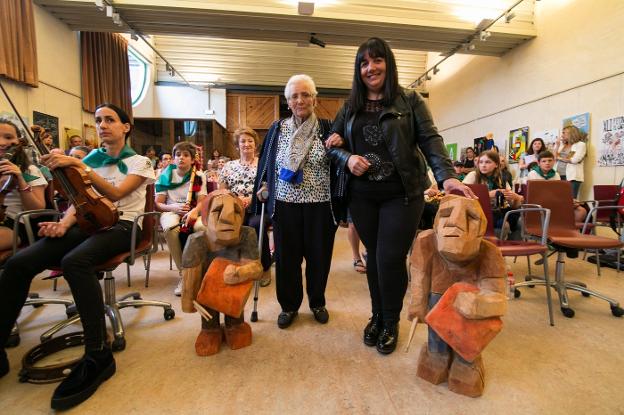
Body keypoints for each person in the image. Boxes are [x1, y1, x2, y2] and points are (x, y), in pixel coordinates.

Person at [0, 103, 155, 410]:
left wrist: (78, 165)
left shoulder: (140, 162)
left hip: (123, 226)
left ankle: (98, 354)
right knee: (19, 263)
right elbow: (78, 199)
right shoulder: (91, 161)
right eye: (98, 120)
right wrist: (63, 223)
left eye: (110, 120)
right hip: (88, 222)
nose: (103, 125)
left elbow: (116, 194)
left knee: (75, 262)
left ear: (126, 127)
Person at [327, 37, 473, 355]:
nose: (370, 67)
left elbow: (430, 139)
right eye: (364, 63)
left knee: (389, 258)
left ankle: (391, 320)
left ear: (388, 64)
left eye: (377, 60)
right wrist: (347, 158)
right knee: (374, 258)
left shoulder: (409, 100)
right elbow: (331, 144)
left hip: (402, 193)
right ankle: (377, 315)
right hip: (362, 195)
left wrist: (447, 177)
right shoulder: (350, 105)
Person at [252, 74, 345, 330]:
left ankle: (317, 302)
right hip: (284, 204)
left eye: (306, 95)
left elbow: (341, 162)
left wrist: (342, 142)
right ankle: (289, 306)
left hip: (320, 205)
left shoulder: (328, 128)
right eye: (295, 96)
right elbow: (266, 163)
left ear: (315, 99)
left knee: (319, 257)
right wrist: (263, 184)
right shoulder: (276, 129)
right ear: (288, 102)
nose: (300, 100)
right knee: (286, 259)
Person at [408, 195, 506, 397]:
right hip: (437, 301)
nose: (455, 222)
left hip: (468, 312)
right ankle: (437, 355)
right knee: (435, 337)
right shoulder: (426, 242)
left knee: (468, 334)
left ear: (481, 231)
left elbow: (498, 297)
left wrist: (480, 304)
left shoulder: (489, 253)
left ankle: (466, 362)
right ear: (436, 225)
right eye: (446, 214)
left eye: (470, 217)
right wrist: (418, 303)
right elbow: (419, 275)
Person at [219, 127, 271, 286]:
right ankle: (237, 267)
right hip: (234, 208)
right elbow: (221, 190)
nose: (246, 144)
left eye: (250, 141)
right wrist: (235, 199)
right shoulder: (228, 166)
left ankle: (265, 267)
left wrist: (251, 198)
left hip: (259, 207)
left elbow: (269, 187)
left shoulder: (264, 164)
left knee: (254, 226)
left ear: (255, 145)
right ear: (237, 145)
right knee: (230, 225)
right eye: (243, 141)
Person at [155, 141, 208, 296]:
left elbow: (202, 202)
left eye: (186, 155)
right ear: (173, 158)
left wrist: (193, 212)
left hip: (192, 210)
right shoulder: (164, 176)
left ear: (192, 160)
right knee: (170, 228)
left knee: (201, 228)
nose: (181, 158)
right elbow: (159, 204)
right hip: (171, 210)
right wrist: (173, 208)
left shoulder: (198, 175)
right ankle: (184, 273)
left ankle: (199, 270)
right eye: (178, 155)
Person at [0, 119, 47, 251]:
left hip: (13, 225)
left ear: (18, 142)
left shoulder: (29, 170)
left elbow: (36, 212)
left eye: (8, 137)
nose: (2, 142)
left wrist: (20, 179)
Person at [463, 150, 523, 238]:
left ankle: (512, 248)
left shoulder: (501, 178)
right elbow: (461, 196)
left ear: (496, 165)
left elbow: (511, 206)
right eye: (481, 162)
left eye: (488, 162)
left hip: (495, 212)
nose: (483, 165)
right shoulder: (473, 175)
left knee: (519, 221)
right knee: (505, 225)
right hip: (475, 212)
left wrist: (517, 198)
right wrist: (488, 195)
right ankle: (500, 247)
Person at [555, 125, 586, 198]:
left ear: (571, 133)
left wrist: (559, 158)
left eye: (564, 133)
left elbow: (575, 160)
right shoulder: (562, 145)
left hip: (572, 176)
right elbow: (553, 158)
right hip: (559, 175)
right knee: (559, 199)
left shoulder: (580, 144)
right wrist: (557, 145)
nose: (562, 135)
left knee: (570, 200)